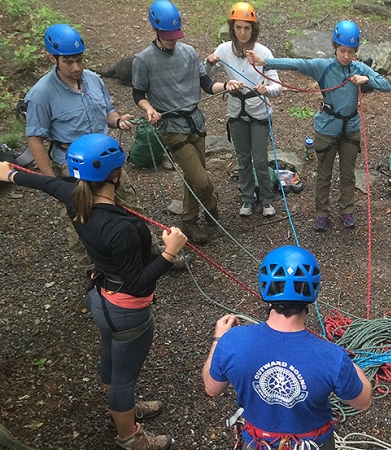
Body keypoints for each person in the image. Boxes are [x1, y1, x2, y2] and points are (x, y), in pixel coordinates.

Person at [0, 134, 188, 450]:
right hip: (126, 310)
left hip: (101, 300)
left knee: (111, 355)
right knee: (125, 377)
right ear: (116, 174)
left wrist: (9, 173)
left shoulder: (74, 195)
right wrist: (170, 253)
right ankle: (128, 434)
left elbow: (44, 183)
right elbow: (138, 282)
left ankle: (121, 408)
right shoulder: (120, 229)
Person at [202, 245, 372, 450]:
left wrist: (218, 339)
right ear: (313, 291)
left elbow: (212, 388)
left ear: (265, 288)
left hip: (258, 443)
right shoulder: (332, 357)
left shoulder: (232, 341)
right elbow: (363, 402)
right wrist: (347, 364)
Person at [24, 24, 152, 267]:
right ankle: (95, 271)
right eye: (69, 62)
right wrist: (50, 182)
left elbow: (107, 113)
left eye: (80, 60)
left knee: (131, 208)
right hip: (73, 166)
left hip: (107, 160)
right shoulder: (41, 94)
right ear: (53, 58)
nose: (77, 67)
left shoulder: (93, 80)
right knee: (81, 221)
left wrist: (118, 120)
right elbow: (35, 139)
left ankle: (147, 254)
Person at [246, 20, 391, 232]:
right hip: (327, 128)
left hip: (351, 127)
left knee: (348, 172)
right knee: (324, 173)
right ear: (335, 48)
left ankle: (346, 210)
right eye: (342, 51)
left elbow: (386, 85)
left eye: (351, 52)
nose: (346, 56)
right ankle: (322, 213)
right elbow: (295, 63)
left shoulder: (359, 68)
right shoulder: (322, 67)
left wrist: (366, 78)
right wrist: (265, 61)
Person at [133, 0, 243, 244]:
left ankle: (189, 220)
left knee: (194, 175)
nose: (173, 40)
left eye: (175, 35)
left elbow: (206, 85)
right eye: (167, 35)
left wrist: (226, 86)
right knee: (200, 180)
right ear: (156, 30)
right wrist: (149, 108)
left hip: (195, 122)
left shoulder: (189, 53)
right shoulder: (143, 60)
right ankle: (211, 206)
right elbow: (138, 94)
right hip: (171, 127)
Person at [206, 2, 282, 218]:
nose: (242, 32)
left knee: (259, 159)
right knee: (242, 158)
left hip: (259, 113)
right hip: (236, 112)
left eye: (246, 28)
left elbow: (278, 87)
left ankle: (266, 198)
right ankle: (247, 198)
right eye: (238, 27)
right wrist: (209, 62)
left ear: (253, 29)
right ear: (232, 28)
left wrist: (265, 90)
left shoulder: (263, 52)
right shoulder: (223, 50)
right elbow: (206, 76)